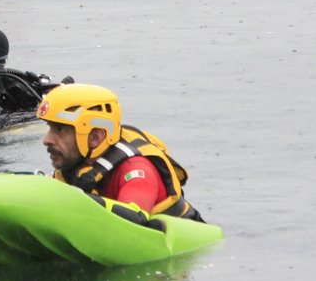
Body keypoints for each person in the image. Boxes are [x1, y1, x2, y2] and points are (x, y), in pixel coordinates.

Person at [37, 84, 205, 221]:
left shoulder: (137, 170)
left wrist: (75, 200)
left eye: (60, 130)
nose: (47, 139)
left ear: (95, 137)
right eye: (50, 128)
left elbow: (133, 220)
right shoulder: (76, 164)